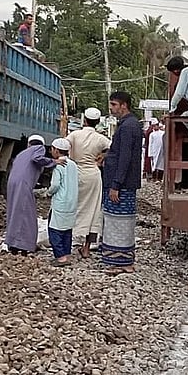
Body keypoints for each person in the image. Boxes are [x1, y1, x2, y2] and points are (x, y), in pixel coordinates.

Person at [100, 91, 142, 274]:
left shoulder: (127, 127)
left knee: (119, 222)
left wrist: (116, 184)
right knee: (118, 221)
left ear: (124, 105)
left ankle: (122, 262)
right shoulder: (129, 124)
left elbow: (125, 157)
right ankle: (121, 260)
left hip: (121, 184)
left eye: (114, 105)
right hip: (123, 182)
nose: (111, 108)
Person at [5, 134, 62, 254]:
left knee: (15, 212)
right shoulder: (38, 149)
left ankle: (13, 244)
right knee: (27, 215)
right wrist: (54, 161)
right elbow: (37, 158)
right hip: (23, 184)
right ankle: (24, 246)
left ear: (28, 144)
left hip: (12, 183)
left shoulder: (22, 153)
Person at [68, 107, 111, 259]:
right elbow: (112, 148)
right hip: (93, 175)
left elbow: (63, 147)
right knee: (93, 211)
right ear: (98, 122)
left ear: (84, 120)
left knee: (71, 207)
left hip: (75, 173)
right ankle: (86, 248)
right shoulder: (100, 138)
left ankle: (66, 244)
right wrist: (102, 156)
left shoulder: (74, 135)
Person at [46, 138, 79, 266]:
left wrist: (48, 193)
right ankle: (67, 254)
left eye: (52, 149)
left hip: (60, 201)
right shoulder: (73, 164)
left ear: (56, 151)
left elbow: (55, 185)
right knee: (67, 229)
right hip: (72, 201)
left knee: (54, 230)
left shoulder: (59, 165)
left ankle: (60, 257)